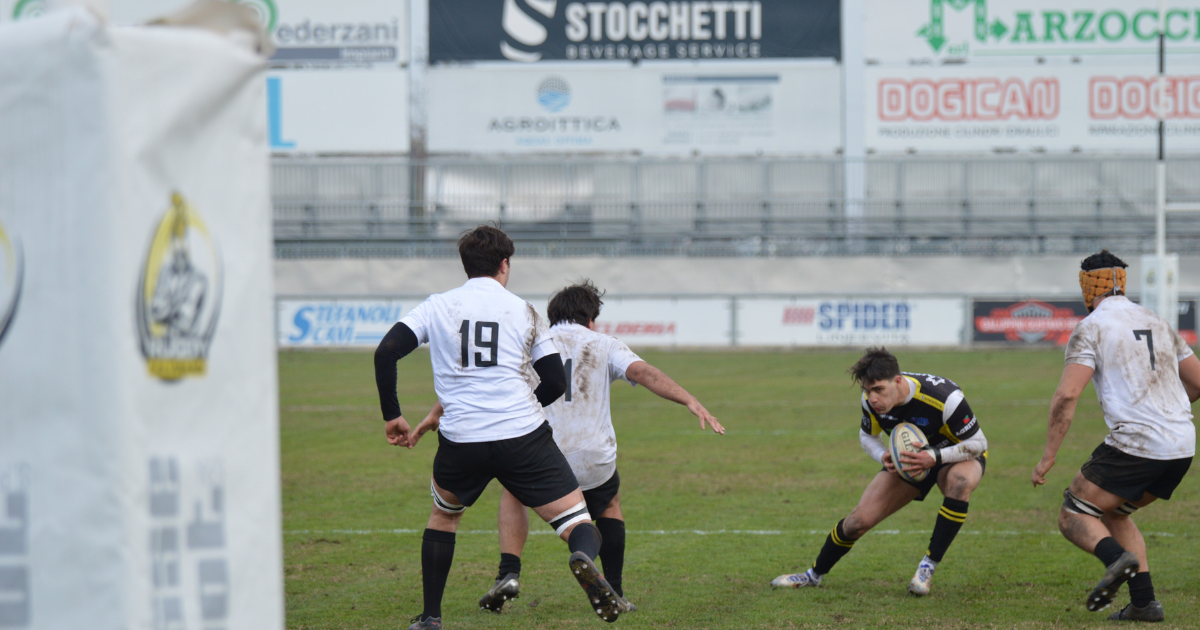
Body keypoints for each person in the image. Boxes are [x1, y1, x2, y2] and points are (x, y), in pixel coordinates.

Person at [411, 280, 725, 614]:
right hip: (593, 457)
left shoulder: (531, 341)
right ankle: (614, 588)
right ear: (590, 319)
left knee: (512, 491)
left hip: (538, 453)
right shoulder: (604, 343)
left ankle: (509, 572)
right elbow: (644, 372)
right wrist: (689, 399)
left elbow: (485, 385)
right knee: (608, 505)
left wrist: (434, 414)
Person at [373, 227, 623, 630]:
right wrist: (523, 410)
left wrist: (393, 415)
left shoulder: (438, 306)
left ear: (465, 265)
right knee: (578, 522)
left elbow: (386, 352)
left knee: (443, 518)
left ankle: (431, 617)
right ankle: (583, 559)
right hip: (523, 437)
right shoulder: (524, 311)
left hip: (461, 438)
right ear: (505, 264)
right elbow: (555, 381)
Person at [1032, 250, 1200, 622]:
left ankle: (1116, 560)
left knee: (1073, 513)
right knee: (1114, 513)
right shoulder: (1157, 320)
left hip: (1138, 445)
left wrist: (1048, 456)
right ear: (1122, 282)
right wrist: (1166, 409)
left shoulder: (1092, 326)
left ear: (1088, 287)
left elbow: (1066, 395)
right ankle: (1145, 604)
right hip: (1182, 447)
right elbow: (1198, 382)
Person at [771, 347, 988, 596]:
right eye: (867, 391)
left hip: (955, 455)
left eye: (878, 390)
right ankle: (813, 575)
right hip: (908, 459)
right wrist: (882, 455)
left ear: (897, 381)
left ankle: (926, 567)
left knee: (960, 482)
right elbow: (867, 437)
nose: (872, 398)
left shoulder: (944, 397)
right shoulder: (871, 402)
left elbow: (978, 444)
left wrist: (934, 457)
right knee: (857, 522)